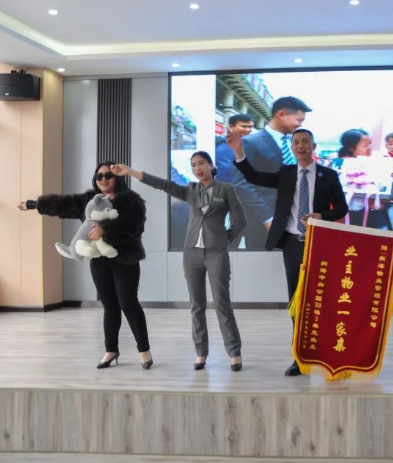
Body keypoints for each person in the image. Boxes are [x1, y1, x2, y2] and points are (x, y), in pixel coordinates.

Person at [227, 127, 348, 376]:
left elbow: (342, 208)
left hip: (319, 243)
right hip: (293, 244)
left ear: (313, 147)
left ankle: (327, 353)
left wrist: (321, 216)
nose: (301, 146)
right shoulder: (286, 173)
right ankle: (300, 357)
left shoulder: (328, 175)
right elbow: (253, 177)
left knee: (322, 299)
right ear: (292, 148)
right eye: (296, 142)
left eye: (305, 142)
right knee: (297, 301)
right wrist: (239, 152)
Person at [112, 153, 246, 371]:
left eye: (201, 163)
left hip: (216, 253)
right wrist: (130, 172)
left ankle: (234, 352)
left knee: (222, 303)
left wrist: (224, 240)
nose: (197, 168)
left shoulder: (226, 189)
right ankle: (200, 353)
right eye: (193, 165)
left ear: (211, 165)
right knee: (196, 305)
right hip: (191, 253)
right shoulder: (190, 190)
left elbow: (240, 221)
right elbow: (162, 184)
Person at [18, 162, 153, 370]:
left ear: (117, 177)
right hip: (98, 260)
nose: (103, 179)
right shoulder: (90, 199)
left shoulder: (131, 200)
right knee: (109, 306)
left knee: (129, 304)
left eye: (108, 175)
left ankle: (144, 351)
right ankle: (111, 350)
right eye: (99, 176)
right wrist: (33, 204)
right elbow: (62, 204)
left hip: (125, 258)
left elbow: (135, 227)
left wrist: (105, 229)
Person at [232, 97, 312, 249]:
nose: (300, 125)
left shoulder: (293, 143)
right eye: (299, 120)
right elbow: (243, 185)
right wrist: (267, 219)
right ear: (281, 114)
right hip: (265, 223)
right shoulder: (250, 143)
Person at [338, 128, 391, 229]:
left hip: (374, 209)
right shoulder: (345, 164)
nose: (369, 147)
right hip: (355, 211)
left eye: (370, 144)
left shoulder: (376, 161)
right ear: (351, 148)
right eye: (365, 145)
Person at [215, 114, 254, 183]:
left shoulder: (253, 147)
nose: (248, 130)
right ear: (231, 126)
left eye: (250, 127)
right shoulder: (217, 142)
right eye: (244, 126)